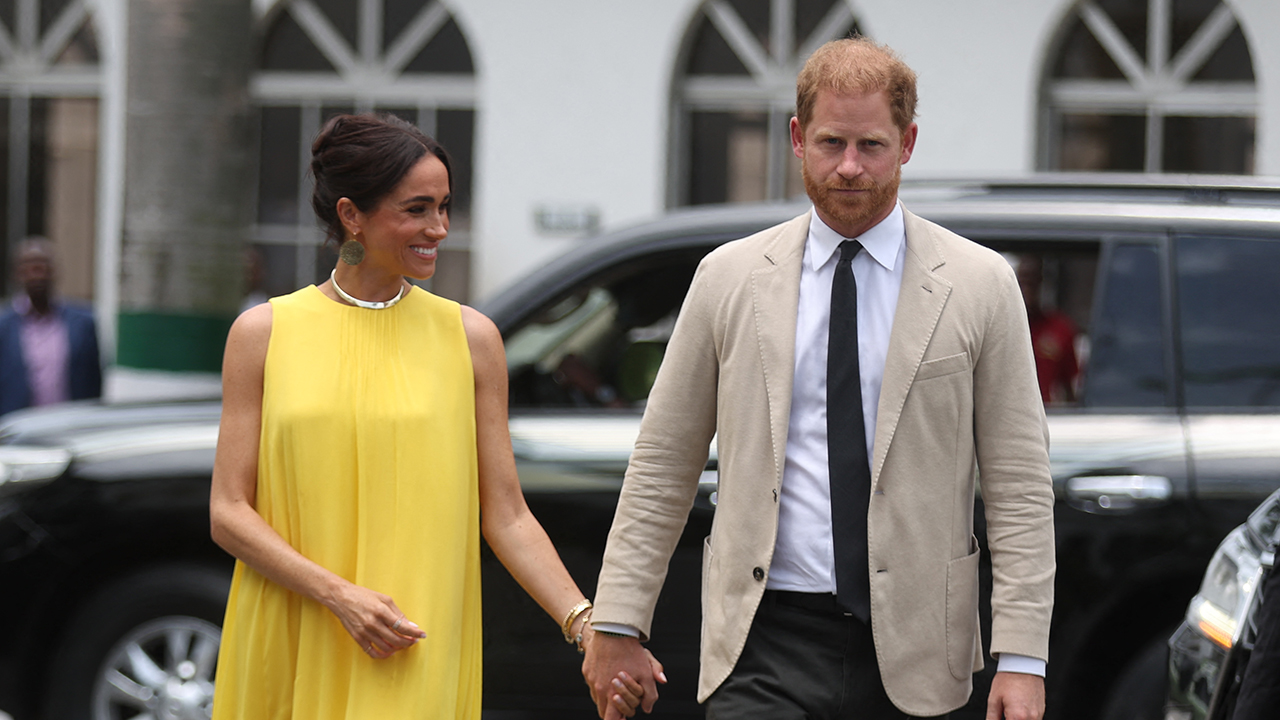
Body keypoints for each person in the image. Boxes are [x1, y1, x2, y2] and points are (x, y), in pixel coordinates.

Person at [582, 38, 1055, 720]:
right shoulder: (729, 278)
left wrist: (1023, 658)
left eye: (872, 146)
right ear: (798, 138)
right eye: (832, 143)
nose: (850, 168)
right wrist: (618, 620)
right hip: (762, 640)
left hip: (922, 648)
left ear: (909, 143)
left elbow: (1018, 483)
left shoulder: (980, 284)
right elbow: (662, 461)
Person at [209, 114, 655, 719]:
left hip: (409, 641)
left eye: (444, 207)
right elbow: (229, 512)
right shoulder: (263, 334)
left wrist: (587, 624)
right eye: (417, 209)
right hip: (292, 631)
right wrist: (337, 594)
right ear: (351, 215)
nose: (439, 228)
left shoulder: (470, 339)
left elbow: (508, 515)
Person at [0, 238, 102, 416]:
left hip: (69, 425)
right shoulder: (4, 326)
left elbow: (94, 382)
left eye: (42, 266)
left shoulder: (83, 323)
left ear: (55, 271)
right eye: (29, 267)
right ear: (17, 273)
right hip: (17, 428)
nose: (37, 274)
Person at [1015, 254, 1079, 403]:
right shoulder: (992, 326)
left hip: (1047, 415)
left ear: (1041, 283)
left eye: (1031, 283)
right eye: (1021, 282)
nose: (1026, 290)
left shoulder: (1059, 328)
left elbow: (1069, 387)